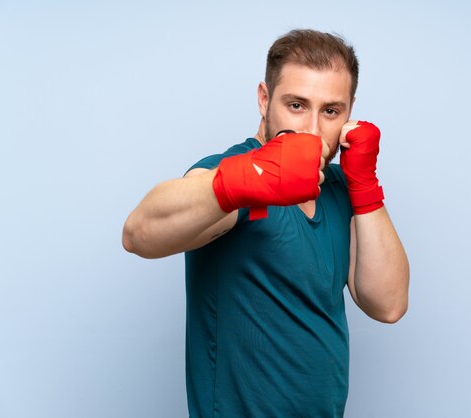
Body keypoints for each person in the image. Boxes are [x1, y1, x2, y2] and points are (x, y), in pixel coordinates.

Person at [123, 29, 409, 418]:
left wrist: (365, 186)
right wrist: (246, 179)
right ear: (264, 99)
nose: (311, 129)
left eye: (330, 111)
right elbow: (139, 233)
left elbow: (388, 304)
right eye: (296, 105)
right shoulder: (235, 172)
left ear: (349, 111)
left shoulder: (341, 188)